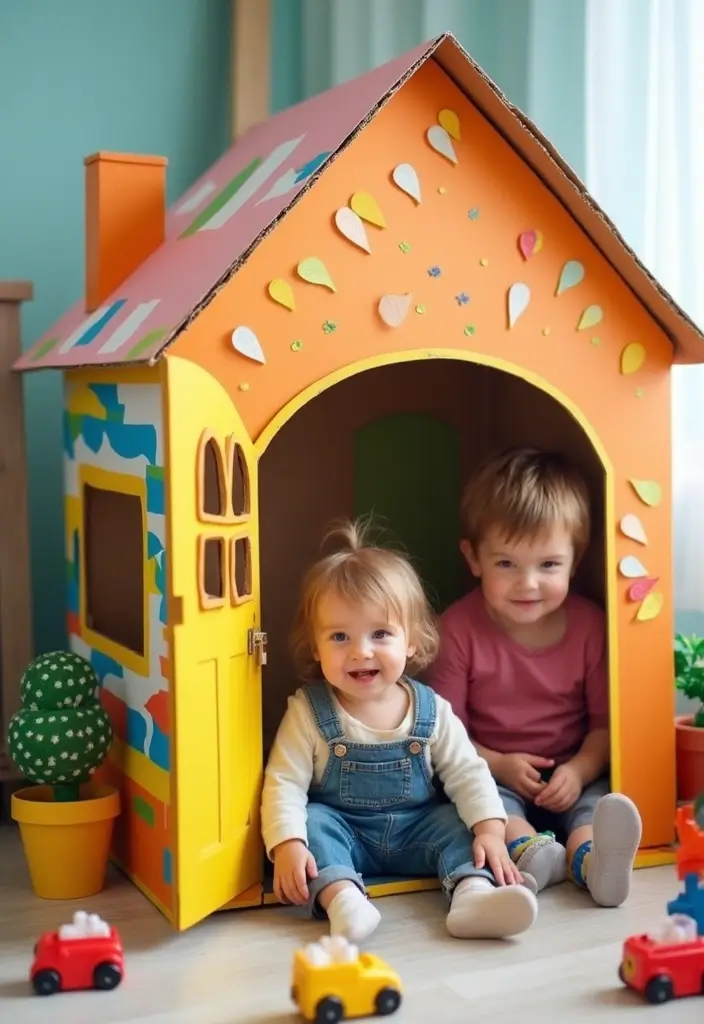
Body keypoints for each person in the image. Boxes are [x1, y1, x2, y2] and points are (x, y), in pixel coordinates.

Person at [261, 518, 538, 943]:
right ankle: (344, 902)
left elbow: (468, 771)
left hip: (417, 830)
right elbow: (284, 784)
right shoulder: (308, 712)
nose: (361, 651)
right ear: (315, 647)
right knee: (313, 824)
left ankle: (473, 897)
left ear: (411, 640)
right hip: (346, 832)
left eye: (380, 634)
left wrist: (490, 830)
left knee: (458, 823)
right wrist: (287, 846)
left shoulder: (431, 709)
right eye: (339, 636)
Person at [429, 447, 642, 907]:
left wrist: (578, 769)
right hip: (490, 770)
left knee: (595, 805)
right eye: (506, 564)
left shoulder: (589, 626)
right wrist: (499, 763)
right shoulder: (457, 629)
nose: (528, 584)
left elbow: (607, 725)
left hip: (574, 767)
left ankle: (592, 860)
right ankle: (533, 854)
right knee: (488, 809)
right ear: (474, 558)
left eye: (548, 565)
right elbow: (445, 734)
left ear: (576, 559)